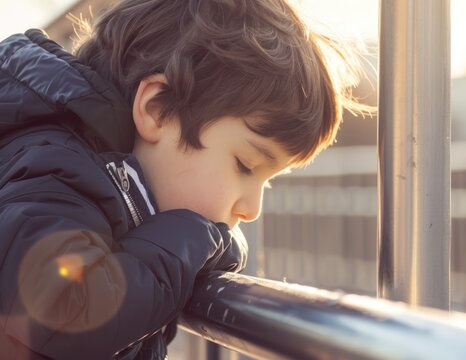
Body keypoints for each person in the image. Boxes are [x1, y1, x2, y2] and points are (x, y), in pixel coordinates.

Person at [0, 0, 365, 359]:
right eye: (245, 165)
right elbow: (58, 312)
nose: (252, 209)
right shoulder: (53, 169)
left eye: (268, 181)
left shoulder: (107, 184)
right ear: (157, 109)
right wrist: (188, 242)